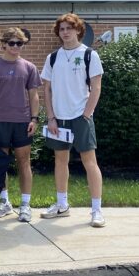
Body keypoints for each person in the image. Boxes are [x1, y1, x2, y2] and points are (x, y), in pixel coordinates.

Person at [40, 13, 105, 227]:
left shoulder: (89, 55)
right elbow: (47, 90)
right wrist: (51, 117)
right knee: (60, 160)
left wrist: (86, 114)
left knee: (90, 162)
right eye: (62, 29)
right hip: (58, 118)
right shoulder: (53, 57)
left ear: (78, 30)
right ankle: (62, 205)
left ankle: (96, 210)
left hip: (81, 116)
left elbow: (96, 87)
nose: (65, 32)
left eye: (69, 28)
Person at [0, 27, 42, 222]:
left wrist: (34, 119)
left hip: (22, 121)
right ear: (4, 44)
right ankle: (4, 202)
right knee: (0, 163)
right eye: (12, 43)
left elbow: (34, 95)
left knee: (24, 162)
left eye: (20, 43)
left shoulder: (29, 67)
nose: (16, 47)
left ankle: (25, 204)